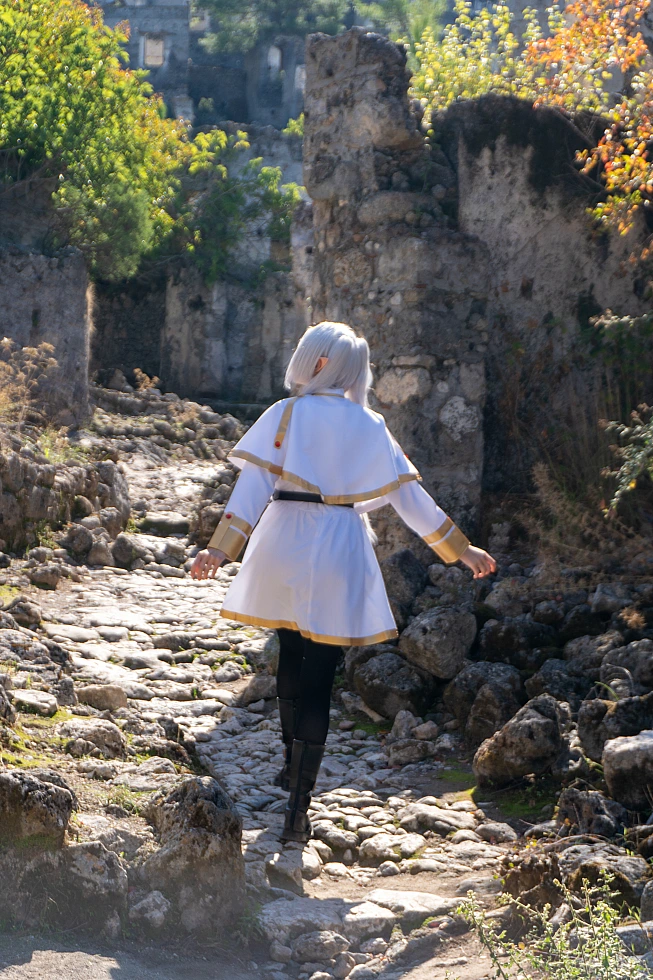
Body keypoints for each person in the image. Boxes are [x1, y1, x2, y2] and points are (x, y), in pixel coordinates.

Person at [191, 322, 496, 843]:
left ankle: (291, 766)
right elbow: (409, 498)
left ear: (316, 362)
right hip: (341, 544)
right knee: (320, 673)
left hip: (284, 537)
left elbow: (253, 486)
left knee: (289, 652)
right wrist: (459, 548)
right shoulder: (371, 425)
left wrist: (219, 548)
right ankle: (297, 807)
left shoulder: (284, 415)